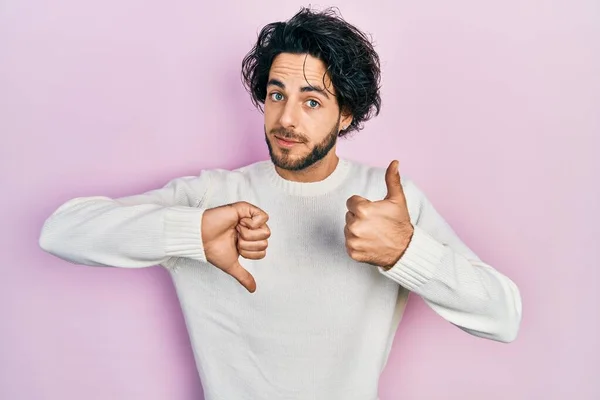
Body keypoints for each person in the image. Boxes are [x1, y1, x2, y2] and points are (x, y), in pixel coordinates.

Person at [39, 7, 522, 400]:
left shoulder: (386, 203)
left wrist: (406, 253)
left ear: (346, 112)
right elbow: (60, 231)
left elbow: (504, 316)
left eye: (312, 101)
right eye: (276, 94)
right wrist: (191, 233)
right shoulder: (212, 197)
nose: (286, 118)